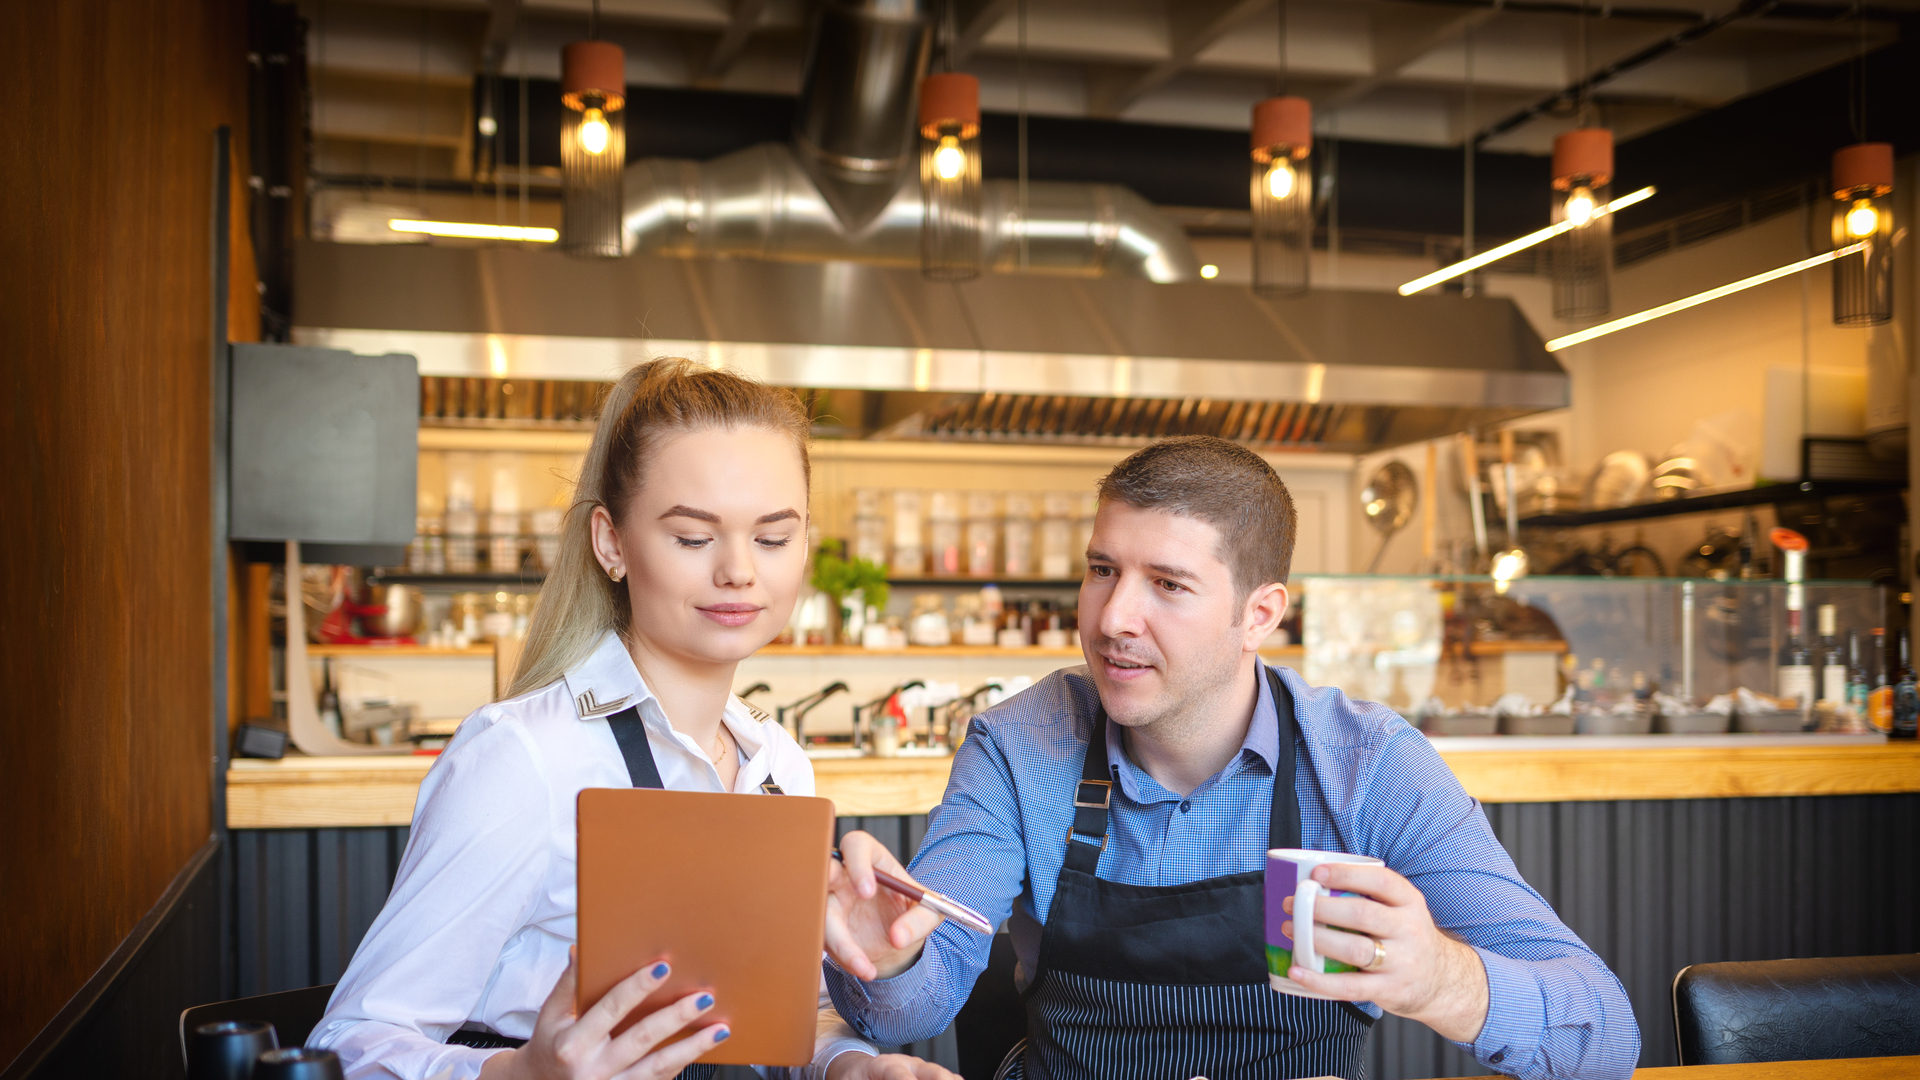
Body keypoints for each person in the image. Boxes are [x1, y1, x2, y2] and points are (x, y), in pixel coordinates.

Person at [825, 436, 1640, 1080]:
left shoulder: (1366, 765)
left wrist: (1443, 982)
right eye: (1102, 571)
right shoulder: (1020, 746)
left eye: (1168, 585)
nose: (1114, 618)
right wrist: (887, 956)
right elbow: (906, 1015)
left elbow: (1603, 1034)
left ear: (1260, 613)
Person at [312, 360, 957, 1080]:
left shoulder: (777, 763)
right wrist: (526, 1075)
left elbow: (777, 1016)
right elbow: (349, 1044)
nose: (739, 571)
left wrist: (850, 1065)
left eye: (773, 538)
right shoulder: (524, 757)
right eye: (692, 537)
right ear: (612, 542)